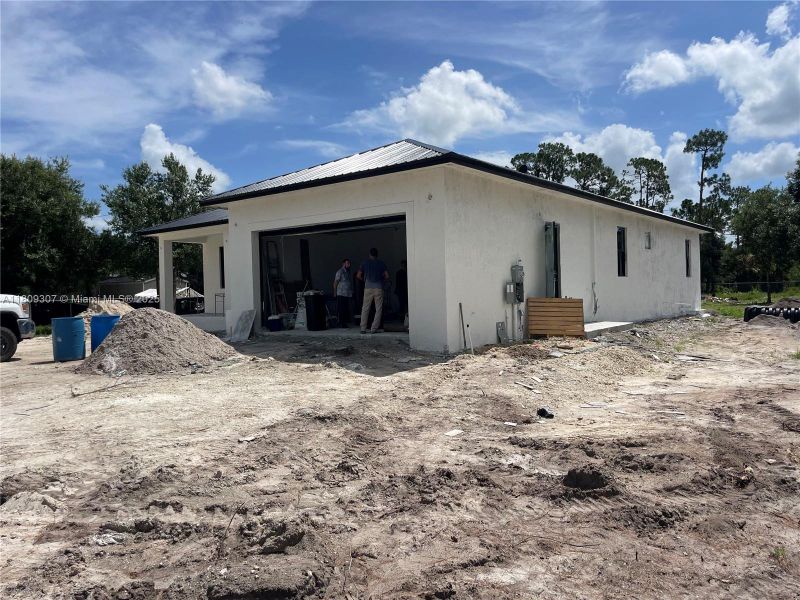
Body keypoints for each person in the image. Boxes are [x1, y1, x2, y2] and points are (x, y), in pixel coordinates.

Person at [357, 247, 389, 334]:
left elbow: (358, 275)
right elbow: (387, 276)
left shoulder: (365, 263)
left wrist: (365, 280)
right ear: (377, 255)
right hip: (378, 287)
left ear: (370, 254)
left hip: (368, 287)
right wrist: (381, 281)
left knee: (365, 308)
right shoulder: (381, 263)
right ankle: (373, 328)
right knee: (378, 309)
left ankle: (363, 328)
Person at [333, 258, 353, 328]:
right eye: (347, 263)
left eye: (349, 263)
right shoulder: (340, 272)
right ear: (343, 264)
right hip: (341, 293)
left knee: (345, 308)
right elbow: (335, 282)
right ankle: (341, 323)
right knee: (341, 308)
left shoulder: (347, 272)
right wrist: (335, 292)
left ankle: (344, 321)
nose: (349, 265)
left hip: (347, 294)